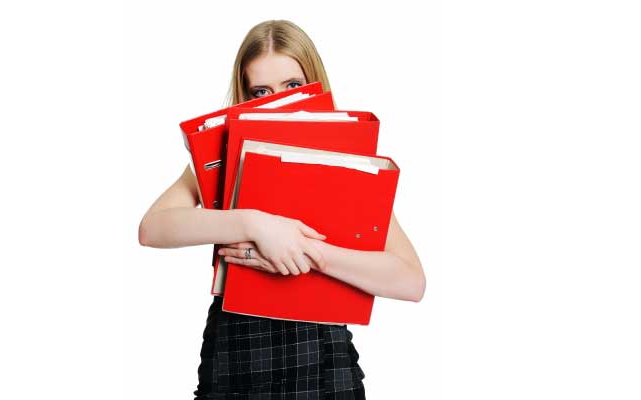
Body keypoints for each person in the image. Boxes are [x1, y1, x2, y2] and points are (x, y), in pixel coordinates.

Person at [138, 19, 426, 399]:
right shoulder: (220, 154)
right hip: (237, 354)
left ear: (314, 84)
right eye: (261, 90)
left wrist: (304, 251)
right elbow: (152, 228)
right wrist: (255, 224)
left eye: (293, 86)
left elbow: (411, 281)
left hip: (322, 357)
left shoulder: (345, 157)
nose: (279, 100)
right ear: (245, 95)